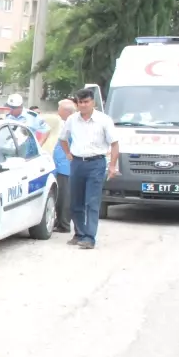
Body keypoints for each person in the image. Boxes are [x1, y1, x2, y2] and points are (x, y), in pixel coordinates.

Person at [58, 88, 119, 249]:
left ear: (93, 103)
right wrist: (68, 154)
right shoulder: (72, 119)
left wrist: (112, 166)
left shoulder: (104, 120)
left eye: (86, 102)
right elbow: (63, 139)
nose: (83, 105)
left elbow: (114, 144)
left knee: (91, 202)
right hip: (77, 163)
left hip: (96, 163)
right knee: (75, 201)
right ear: (77, 104)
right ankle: (79, 233)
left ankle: (89, 237)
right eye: (80, 102)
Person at [51, 98, 75, 233]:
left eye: (59, 108)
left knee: (64, 198)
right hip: (61, 165)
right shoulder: (67, 123)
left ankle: (64, 224)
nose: (57, 111)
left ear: (65, 111)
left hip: (66, 167)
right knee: (60, 196)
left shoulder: (72, 125)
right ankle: (60, 221)